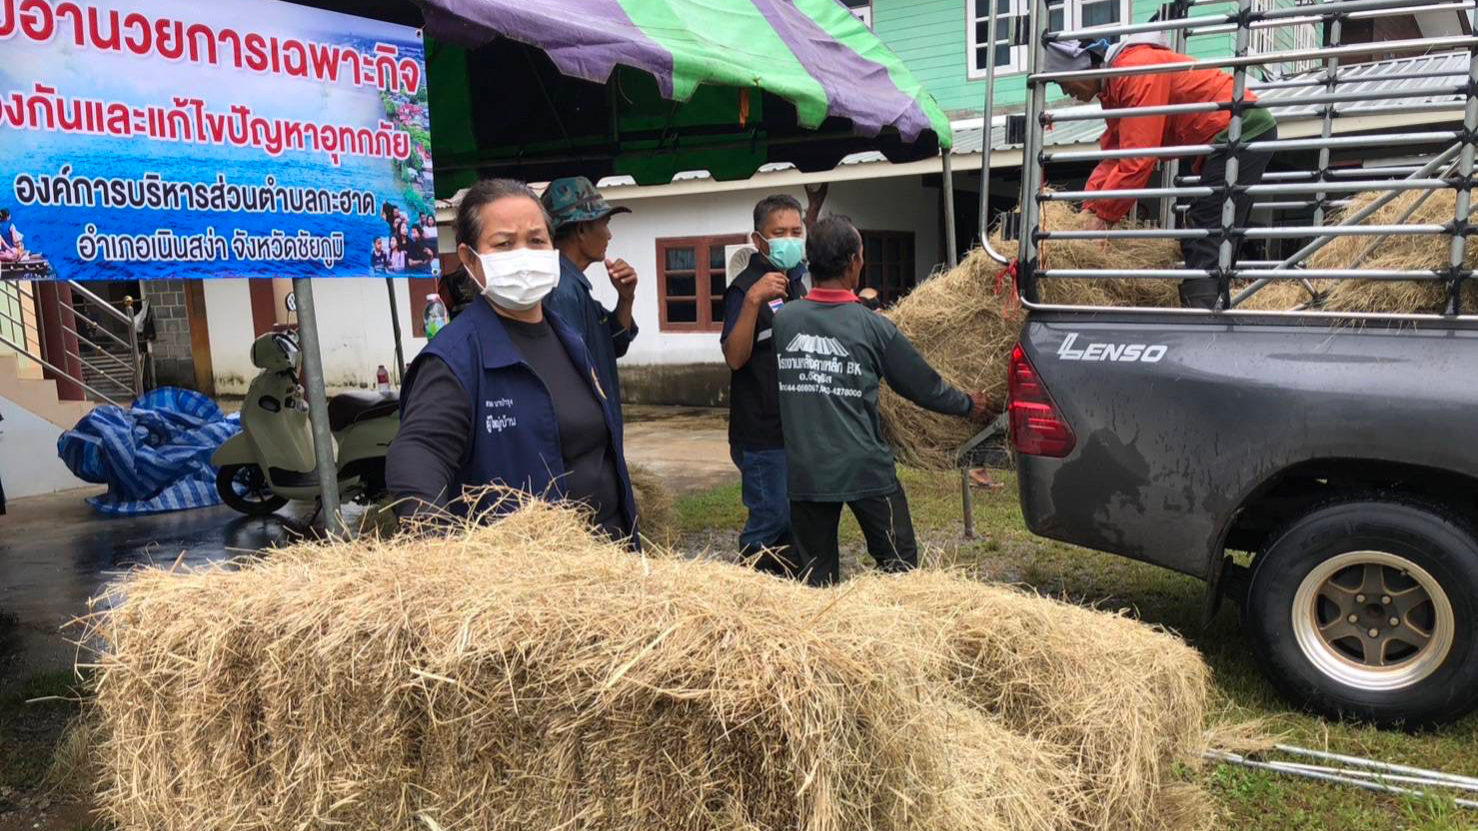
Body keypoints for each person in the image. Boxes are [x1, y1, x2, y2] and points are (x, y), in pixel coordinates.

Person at [386, 178, 637, 542]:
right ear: (470, 258)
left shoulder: (568, 338)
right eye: (504, 243)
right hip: (530, 582)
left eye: (536, 240)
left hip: (607, 568)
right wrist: (437, 551)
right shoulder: (455, 358)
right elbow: (419, 454)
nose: (524, 254)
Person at [772, 216, 988, 587]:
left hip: (807, 469)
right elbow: (924, 386)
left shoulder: (785, 320)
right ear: (856, 261)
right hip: (864, 468)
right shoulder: (873, 327)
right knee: (900, 567)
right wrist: (969, 404)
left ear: (808, 260)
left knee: (813, 578)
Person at [1046, 35, 1278, 309]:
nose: (1065, 92)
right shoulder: (1114, 87)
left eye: (1062, 83)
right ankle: (1217, 303)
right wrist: (1090, 209)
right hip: (1229, 135)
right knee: (1216, 226)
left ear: (1081, 68)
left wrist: (1105, 217)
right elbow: (1114, 155)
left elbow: (1137, 159)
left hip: (1243, 128)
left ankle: (1205, 317)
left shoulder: (1136, 72)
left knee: (1205, 224)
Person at [719, 194, 811, 574]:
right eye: (779, 233)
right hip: (760, 435)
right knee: (769, 520)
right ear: (759, 240)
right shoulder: (744, 288)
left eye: (796, 231)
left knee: (792, 524)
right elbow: (735, 357)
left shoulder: (796, 283)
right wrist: (754, 301)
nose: (789, 239)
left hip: (793, 431)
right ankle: (746, 592)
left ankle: (784, 589)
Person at [540, 176, 639, 433]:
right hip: (586, 450)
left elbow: (615, 344)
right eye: (604, 223)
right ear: (581, 230)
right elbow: (570, 383)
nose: (609, 234)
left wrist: (626, 298)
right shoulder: (562, 291)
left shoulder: (575, 287)